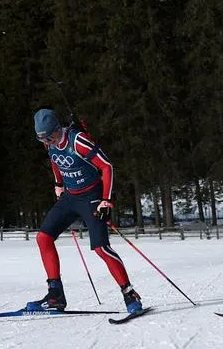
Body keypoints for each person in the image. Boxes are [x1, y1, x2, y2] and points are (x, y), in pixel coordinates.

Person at [26, 108, 144, 315]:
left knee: (101, 249)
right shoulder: (50, 145)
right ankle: (56, 295)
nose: (46, 142)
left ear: (57, 129)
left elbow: (106, 166)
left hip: (92, 197)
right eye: (41, 139)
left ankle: (129, 293)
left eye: (49, 137)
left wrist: (106, 201)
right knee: (43, 238)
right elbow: (55, 160)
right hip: (70, 197)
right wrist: (58, 183)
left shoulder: (77, 141)